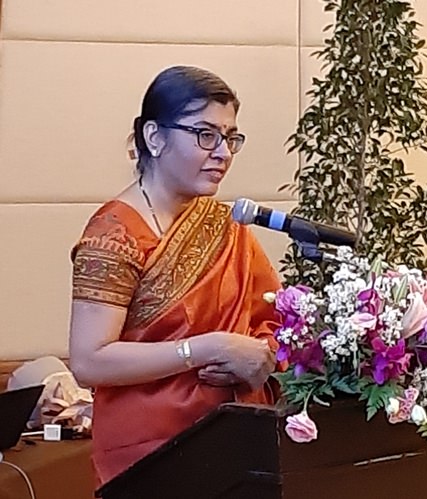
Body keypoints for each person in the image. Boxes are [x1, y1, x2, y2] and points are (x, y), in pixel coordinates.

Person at [68, 65, 282, 487]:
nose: (222, 152)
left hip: (236, 438)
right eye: (205, 135)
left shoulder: (223, 225)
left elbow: (274, 319)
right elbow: (89, 360)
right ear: (154, 136)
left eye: (230, 138)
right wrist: (208, 348)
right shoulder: (113, 235)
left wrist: (256, 358)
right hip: (151, 456)